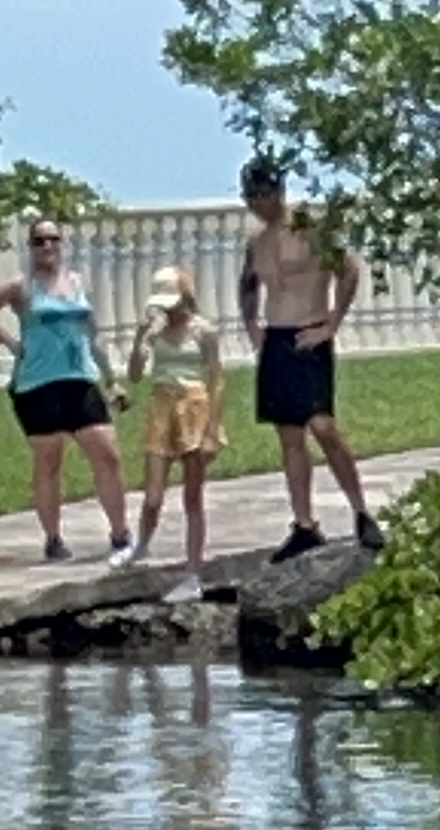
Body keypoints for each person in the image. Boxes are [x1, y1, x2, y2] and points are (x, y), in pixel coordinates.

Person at [235, 156, 380, 561]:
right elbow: (247, 287)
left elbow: (348, 270)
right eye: (252, 197)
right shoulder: (257, 243)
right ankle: (304, 523)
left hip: (309, 333)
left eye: (265, 194)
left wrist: (331, 324)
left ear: (278, 191)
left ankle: (361, 511)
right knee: (290, 435)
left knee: (324, 427)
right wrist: (253, 329)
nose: (259, 203)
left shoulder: (310, 228)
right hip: (277, 337)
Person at [3, 215, 134, 566]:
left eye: (53, 239)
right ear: (30, 246)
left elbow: (92, 334)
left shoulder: (77, 281)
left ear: (62, 243)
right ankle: (52, 537)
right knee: (49, 460)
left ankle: (121, 533)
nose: (47, 246)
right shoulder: (21, 285)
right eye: (39, 241)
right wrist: (14, 346)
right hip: (37, 383)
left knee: (107, 454)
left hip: (79, 378)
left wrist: (111, 378)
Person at [124, 264, 225, 602]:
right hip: (161, 405)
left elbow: (216, 379)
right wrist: (141, 337)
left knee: (192, 496)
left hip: (194, 406)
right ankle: (141, 543)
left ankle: (193, 571)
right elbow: (135, 375)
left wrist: (213, 428)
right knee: (153, 494)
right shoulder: (157, 331)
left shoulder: (203, 331)